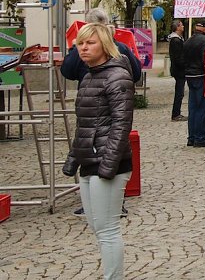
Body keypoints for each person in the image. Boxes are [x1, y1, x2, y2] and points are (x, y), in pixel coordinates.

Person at [61, 23, 134, 279]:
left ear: (103, 44)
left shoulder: (117, 76)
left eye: (89, 42)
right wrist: (73, 159)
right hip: (89, 160)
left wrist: (108, 165)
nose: (83, 47)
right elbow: (85, 123)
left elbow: (121, 123)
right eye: (80, 43)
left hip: (109, 163)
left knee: (107, 229)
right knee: (96, 225)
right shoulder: (90, 75)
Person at [61, 8, 142, 86]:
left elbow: (67, 71)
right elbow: (136, 74)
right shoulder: (122, 48)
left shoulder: (83, 49)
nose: (84, 46)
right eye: (81, 43)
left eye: (91, 42)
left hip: (90, 94)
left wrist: (74, 48)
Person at [184, 19, 205, 148]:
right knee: (201, 107)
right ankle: (200, 137)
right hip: (200, 75)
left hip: (189, 75)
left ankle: (191, 137)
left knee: (192, 107)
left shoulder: (188, 40)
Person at [167, 19, 187, 122]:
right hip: (179, 70)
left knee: (180, 92)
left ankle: (176, 113)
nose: (183, 26)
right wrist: (185, 65)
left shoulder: (177, 39)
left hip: (178, 69)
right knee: (179, 93)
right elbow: (178, 58)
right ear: (177, 27)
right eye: (181, 25)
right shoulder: (175, 41)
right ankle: (176, 114)